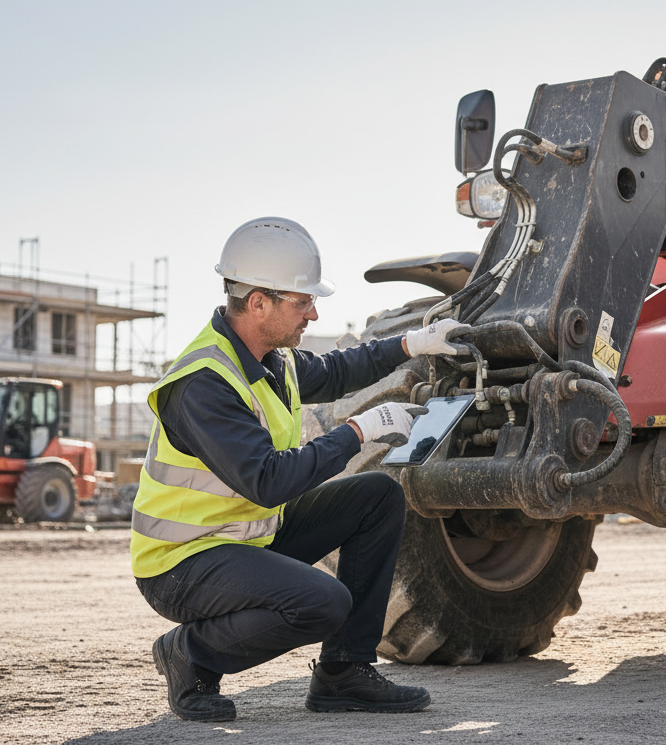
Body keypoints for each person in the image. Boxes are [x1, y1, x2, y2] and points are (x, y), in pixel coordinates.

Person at [131, 217, 468, 722]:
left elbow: (338, 371)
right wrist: (359, 431)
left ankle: (343, 673)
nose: (313, 312)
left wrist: (413, 344)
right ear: (258, 302)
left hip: (243, 538)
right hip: (183, 562)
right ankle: (190, 653)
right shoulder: (204, 383)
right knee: (323, 602)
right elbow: (269, 482)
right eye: (303, 301)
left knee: (377, 496)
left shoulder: (271, 359)